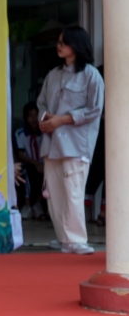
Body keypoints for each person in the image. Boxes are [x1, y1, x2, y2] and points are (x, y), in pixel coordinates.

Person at [37, 26, 104, 253]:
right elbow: (41, 103)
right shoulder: (53, 75)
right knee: (55, 194)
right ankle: (64, 239)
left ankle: (77, 239)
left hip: (76, 144)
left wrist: (62, 120)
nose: (59, 46)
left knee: (73, 191)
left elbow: (94, 110)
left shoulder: (91, 75)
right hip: (52, 142)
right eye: (58, 42)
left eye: (63, 42)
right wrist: (45, 120)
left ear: (76, 45)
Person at [13, 102, 45, 219]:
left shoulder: (45, 132)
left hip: (43, 164)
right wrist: (36, 164)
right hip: (28, 164)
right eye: (30, 116)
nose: (33, 119)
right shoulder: (20, 133)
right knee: (27, 174)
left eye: (36, 115)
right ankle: (27, 206)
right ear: (25, 118)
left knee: (49, 174)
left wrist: (42, 165)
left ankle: (38, 205)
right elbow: (21, 155)